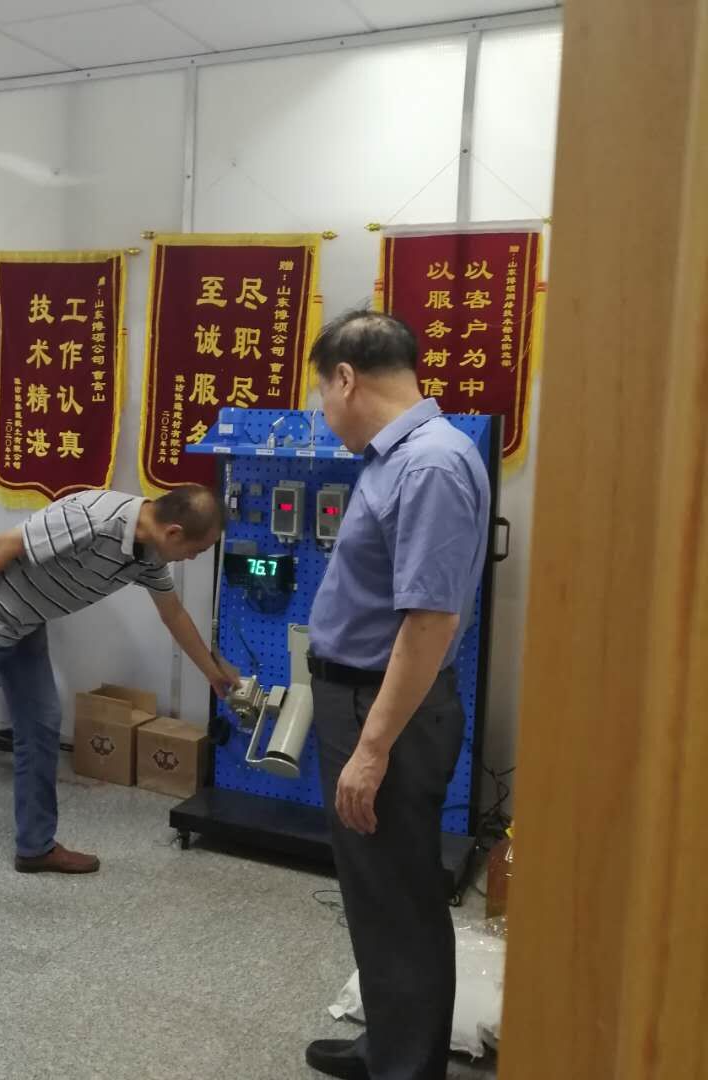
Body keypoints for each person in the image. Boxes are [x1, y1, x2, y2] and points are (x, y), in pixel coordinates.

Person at [0, 485, 234, 927]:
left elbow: (173, 614)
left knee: (42, 724)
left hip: (23, 623)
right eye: (197, 549)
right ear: (174, 532)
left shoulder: (150, 555)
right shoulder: (94, 517)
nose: (194, 558)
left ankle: (36, 846)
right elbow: (6, 545)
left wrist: (212, 672)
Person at [303, 311, 490, 1080]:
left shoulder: (430, 465)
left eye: (322, 392)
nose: (323, 411)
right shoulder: (399, 459)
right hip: (362, 701)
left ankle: (407, 1069)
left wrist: (373, 747)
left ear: (346, 378)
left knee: (400, 900)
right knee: (376, 894)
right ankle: (388, 1046)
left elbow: (430, 620)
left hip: (384, 713)